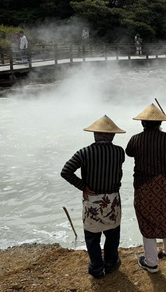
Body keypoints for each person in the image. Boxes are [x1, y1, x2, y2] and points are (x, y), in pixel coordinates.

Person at [126, 104, 166, 274]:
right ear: (160, 123)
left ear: (143, 123)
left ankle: (151, 263)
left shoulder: (135, 139)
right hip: (165, 185)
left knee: (147, 222)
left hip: (142, 187)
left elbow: (129, 152)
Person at [61, 115, 126, 279]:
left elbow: (66, 171)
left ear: (95, 135)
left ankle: (97, 268)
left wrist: (83, 186)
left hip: (93, 201)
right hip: (112, 201)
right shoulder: (119, 152)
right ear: (112, 135)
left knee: (92, 237)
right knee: (112, 235)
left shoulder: (84, 152)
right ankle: (111, 263)